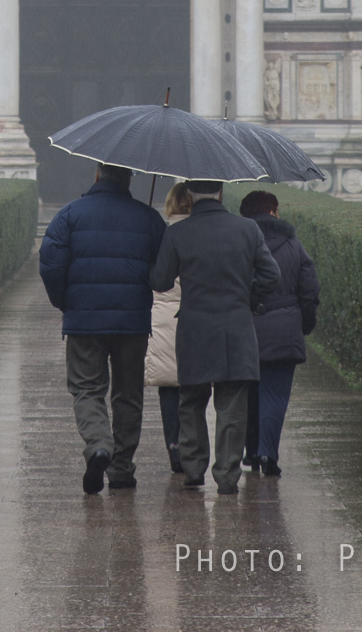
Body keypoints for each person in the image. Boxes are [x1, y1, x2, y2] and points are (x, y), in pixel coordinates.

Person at [40, 163, 167, 495]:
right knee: (129, 394)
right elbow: (163, 273)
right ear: (128, 180)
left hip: (84, 321)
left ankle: (99, 445)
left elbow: (51, 264)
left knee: (86, 389)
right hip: (133, 322)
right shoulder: (149, 218)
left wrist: (63, 302)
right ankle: (122, 468)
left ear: (97, 176)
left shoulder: (69, 215)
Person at [149, 179, 280, 494]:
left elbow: (161, 280)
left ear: (190, 198)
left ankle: (194, 468)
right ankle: (227, 474)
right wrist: (248, 299)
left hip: (195, 328)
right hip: (236, 326)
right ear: (221, 193)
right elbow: (271, 275)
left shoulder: (178, 232)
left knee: (191, 400)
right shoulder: (247, 230)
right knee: (232, 404)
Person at [239, 191, 320, 477]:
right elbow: (309, 290)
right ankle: (267, 454)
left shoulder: (238, 242)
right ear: (273, 212)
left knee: (247, 396)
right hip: (283, 331)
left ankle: (250, 452)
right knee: (274, 396)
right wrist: (304, 324)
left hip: (244, 330)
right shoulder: (294, 245)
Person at [143, 182, 193, 473]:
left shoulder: (161, 233)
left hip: (163, 315)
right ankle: (191, 442)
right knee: (193, 384)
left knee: (168, 385)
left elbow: (156, 277)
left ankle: (173, 444)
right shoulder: (202, 233)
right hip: (195, 314)